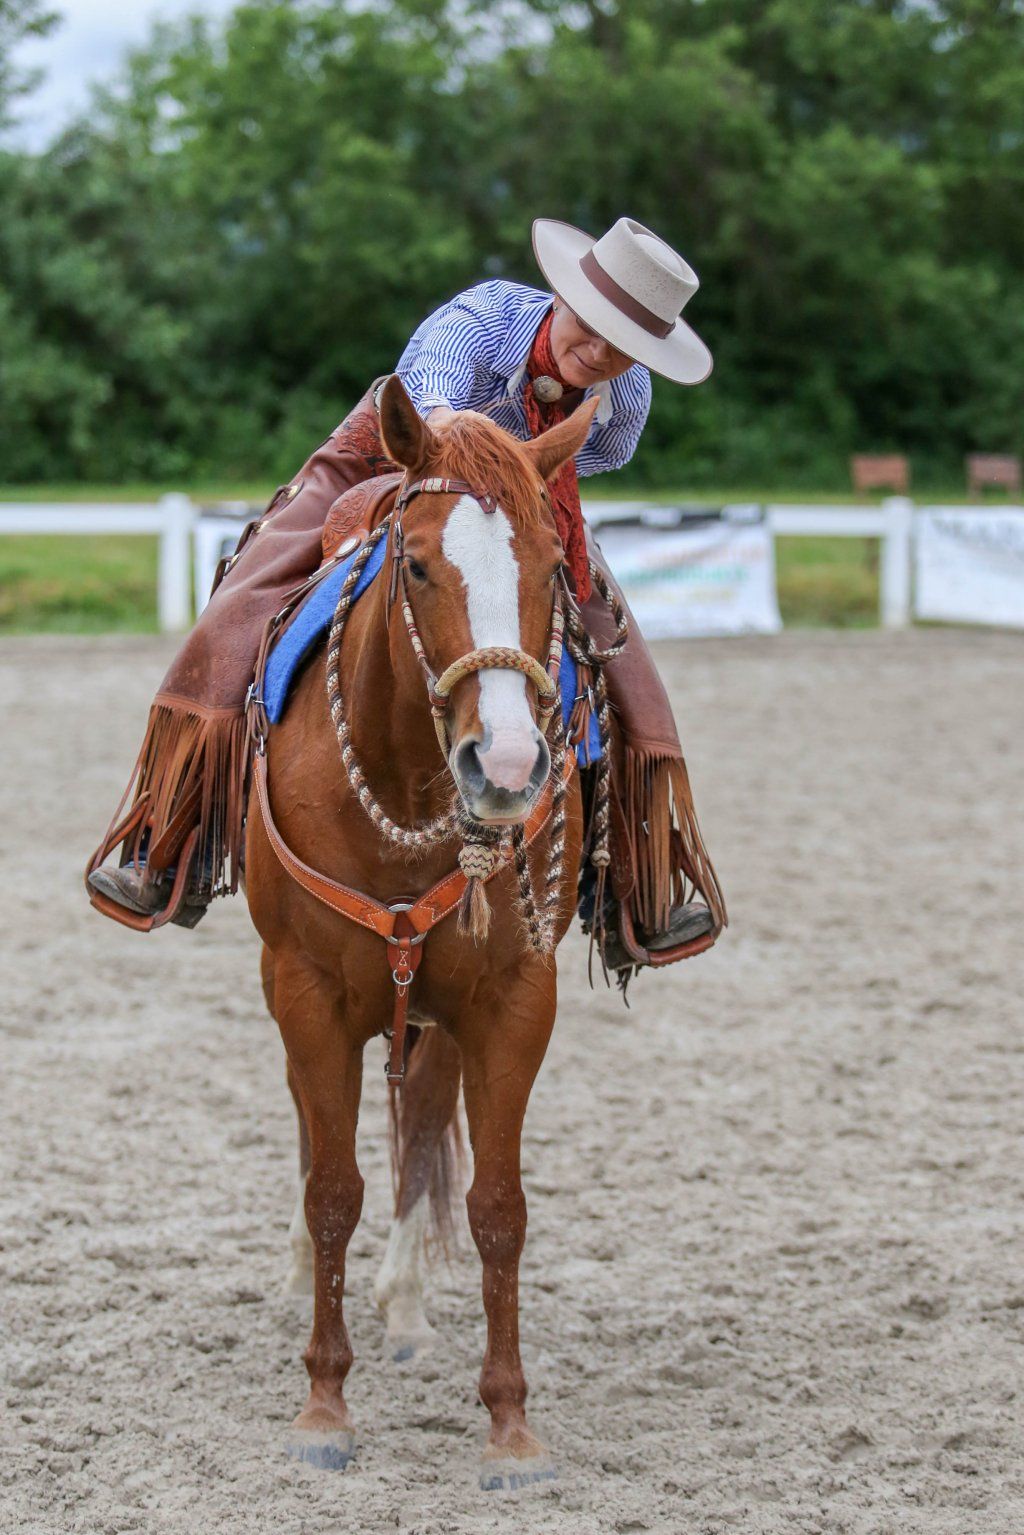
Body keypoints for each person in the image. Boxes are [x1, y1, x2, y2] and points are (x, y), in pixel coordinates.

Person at [87, 215, 726, 973]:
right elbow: (427, 397)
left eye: (624, 345)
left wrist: (509, 496)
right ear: (563, 296)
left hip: (518, 500)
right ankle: (172, 840)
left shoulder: (628, 400)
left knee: (616, 652)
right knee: (249, 593)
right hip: (392, 455)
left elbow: (603, 455)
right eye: (592, 326)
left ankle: (630, 884)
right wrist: (474, 458)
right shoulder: (483, 318)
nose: (600, 352)